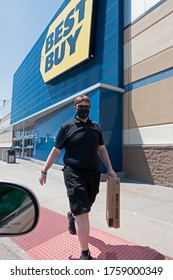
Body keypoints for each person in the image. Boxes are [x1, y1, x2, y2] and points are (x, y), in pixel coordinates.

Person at [39, 94, 117, 260]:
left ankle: (71, 215)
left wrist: (110, 169)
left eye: (86, 106)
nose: (84, 109)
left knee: (86, 206)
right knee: (83, 212)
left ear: (89, 108)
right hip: (73, 173)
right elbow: (56, 151)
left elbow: (101, 149)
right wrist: (44, 170)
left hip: (93, 174)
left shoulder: (96, 127)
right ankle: (85, 253)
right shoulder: (66, 127)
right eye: (81, 106)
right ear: (75, 107)